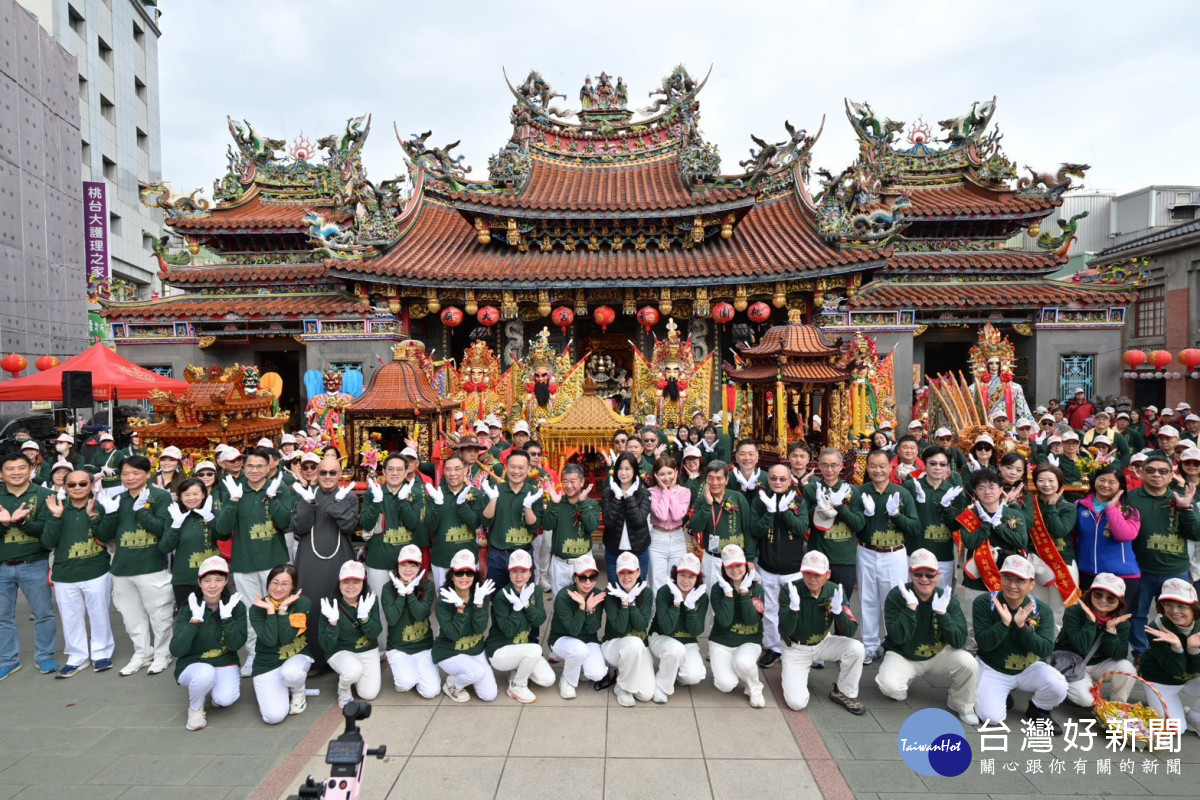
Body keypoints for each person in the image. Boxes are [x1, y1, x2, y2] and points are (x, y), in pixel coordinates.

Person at [875, 549, 979, 725]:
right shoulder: (897, 595)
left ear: (938, 575)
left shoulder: (947, 599)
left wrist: (942, 614)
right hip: (904, 654)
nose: (924, 579)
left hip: (938, 653)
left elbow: (960, 641)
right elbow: (897, 637)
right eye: (918, 573)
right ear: (910, 573)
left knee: (969, 663)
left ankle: (962, 704)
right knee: (890, 687)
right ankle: (904, 681)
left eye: (930, 574)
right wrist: (910, 609)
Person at [214, 448, 292, 675]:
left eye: (260, 466)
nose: (255, 470)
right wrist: (234, 500)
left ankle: (281, 648)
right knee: (250, 611)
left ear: (269, 467)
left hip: (274, 560)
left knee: (279, 607)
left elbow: (285, 521)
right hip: (245, 562)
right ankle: (254, 653)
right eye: (250, 466)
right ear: (244, 468)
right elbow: (221, 530)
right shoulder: (235, 491)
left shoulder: (277, 488)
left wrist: (274, 497)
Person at [95, 455, 174, 676]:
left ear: (148, 474)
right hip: (122, 567)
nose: (130, 478)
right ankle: (142, 653)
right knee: (131, 617)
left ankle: (162, 654)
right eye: (125, 473)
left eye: (136, 473)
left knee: (160, 614)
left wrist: (142, 511)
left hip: (151, 566)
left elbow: (163, 530)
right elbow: (103, 534)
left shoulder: (160, 497)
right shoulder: (117, 499)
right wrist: (109, 513)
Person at [840, 448, 919, 664]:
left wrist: (897, 515)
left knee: (894, 600)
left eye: (882, 466)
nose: (878, 470)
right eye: (873, 466)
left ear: (890, 466)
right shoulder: (860, 493)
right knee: (868, 599)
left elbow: (914, 527)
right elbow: (856, 526)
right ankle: (870, 645)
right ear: (868, 468)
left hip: (894, 553)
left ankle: (894, 643)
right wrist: (865, 515)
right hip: (867, 551)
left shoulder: (901, 494)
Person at [973, 554, 1066, 732]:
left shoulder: (1042, 609)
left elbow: (1046, 649)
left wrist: (1023, 627)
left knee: (1059, 685)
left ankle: (1038, 710)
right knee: (991, 717)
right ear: (1000, 577)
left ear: (1031, 584)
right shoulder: (985, 602)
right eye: (1007, 578)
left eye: (1020, 580)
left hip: (1027, 668)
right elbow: (984, 644)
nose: (1012, 585)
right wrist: (1004, 624)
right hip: (994, 667)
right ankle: (1001, 693)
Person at [1125, 452, 1199, 661]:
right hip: (1140, 569)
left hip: (1175, 570)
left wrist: (1188, 508)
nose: (1156, 475)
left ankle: (1174, 654)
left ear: (1171, 474)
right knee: (1138, 615)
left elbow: (1195, 534)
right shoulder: (1131, 497)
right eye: (1151, 470)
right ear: (1142, 473)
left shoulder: (1181, 496)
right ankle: (1140, 654)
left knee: (1177, 617)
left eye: (1163, 471)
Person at [41, 470, 113, 676]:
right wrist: (56, 516)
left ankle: (101, 653)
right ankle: (77, 656)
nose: (78, 488)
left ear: (91, 485)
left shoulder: (100, 505)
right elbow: (47, 542)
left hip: (97, 570)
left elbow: (107, 536)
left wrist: (93, 517)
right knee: (70, 617)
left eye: (83, 484)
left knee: (99, 614)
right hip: (65, 573)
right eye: (72, 485)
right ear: (65, 487)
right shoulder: (56, 508)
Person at [777, 549, 863, 713]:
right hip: (796, 647)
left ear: (828, 574)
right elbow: (784, 629)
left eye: (817, 574)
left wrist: (839, 613)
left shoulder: (835, 590)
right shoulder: (791, 589)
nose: (812, 578)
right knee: (796, 703)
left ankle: (844, 692)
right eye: (807, 573)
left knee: (856, 648)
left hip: (823, 642)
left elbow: (850, 631)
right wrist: (794, 609)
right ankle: (795, 674)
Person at [357, 453, 426, 651]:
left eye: (399, 469)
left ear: (407, 472)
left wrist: (403, 502)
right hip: (379, 559)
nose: (395, 473)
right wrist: (377, 501)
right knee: (378, 606)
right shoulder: (374, 492)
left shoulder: (415, 493)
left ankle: (404, 646)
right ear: (384, 472)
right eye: (391, 469)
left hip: (406, 564)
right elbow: (366, 524)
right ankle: (380, 650)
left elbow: (414, 524)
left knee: (406, 603)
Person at [170, 556, 247, 731]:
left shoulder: (236, 607)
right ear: (199, 582)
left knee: (225, 700)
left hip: (224, 661)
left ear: (226, 581)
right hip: (193, 664)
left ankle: (211, 688)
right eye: (207, 580)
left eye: (219, 580)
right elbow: (176, 649)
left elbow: (236, 645)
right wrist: (194, 621)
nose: (213, 586)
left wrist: (227, 619)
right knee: (205, 673)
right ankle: (195, 709)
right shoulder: (189, 607)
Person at [956, 468, 1029, 652]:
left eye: (991, 487)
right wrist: (986, 524)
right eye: (981, 488)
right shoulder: (969, 516)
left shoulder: (1013, 514)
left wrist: (998, 526)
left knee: (1005, 615)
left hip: (1006, 576)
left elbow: (1021, 541)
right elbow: (971, 542)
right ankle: (972, 652)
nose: (987, 491)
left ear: (1000, 489)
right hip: (979, 574)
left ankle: (1005, 651)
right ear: (975, 492)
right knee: (973, 618)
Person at [0, 452, 58, 679]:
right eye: (10, 469)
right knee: (3, 616)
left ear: (31, 469)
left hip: (34, 563)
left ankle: (44, 656)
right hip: (2, 566)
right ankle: (8, 660)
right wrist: (4, 524)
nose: (16, 472)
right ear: (1, 473)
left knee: (43, 613)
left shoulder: (45, 495)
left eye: (21, 468)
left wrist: (22, 522)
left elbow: (47, 533)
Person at [751, 463, 808, 669]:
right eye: (773, 478)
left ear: (790, 480)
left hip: (793, 569)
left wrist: (785, 512)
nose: (777, 482)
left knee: (794, 608)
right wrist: (769, 511)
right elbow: (755, 530)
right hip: (767, 566)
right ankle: (773, 647)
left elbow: (802, 528)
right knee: (769, 611)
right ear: (768, 480)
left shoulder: (798, 501)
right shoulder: (760, 501)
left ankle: (795, 647)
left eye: (782, 479)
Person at [1053, 572, 1134, 707]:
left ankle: (1118, 704)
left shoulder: (1122, 622)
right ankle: (1066, 686)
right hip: (1072, 662)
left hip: (1099, 664)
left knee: (1128, 668)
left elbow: (1120, 655)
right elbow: (1082, 647)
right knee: (1087, 701)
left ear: (1119, 602)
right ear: (1090, 594)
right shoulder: (1074, 612)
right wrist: (1091, 621)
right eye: (1098, 594)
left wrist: (1111, 630)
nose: (1103, 600)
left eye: (1111, 598)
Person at [486, 549, 554, 703]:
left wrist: (527, 606)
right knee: (535, 649)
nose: (519, 576)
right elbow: (508, 631)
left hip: (521, 648)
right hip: (500, 650)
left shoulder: (534, 591)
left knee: (548, 679)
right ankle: (517, 685)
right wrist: (517, 609)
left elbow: (540, 619)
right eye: (514, 571)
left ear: (530, 573)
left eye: (523, 571)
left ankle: (516, 668)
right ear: (509, 573)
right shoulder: (502, 596)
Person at [248, 564, 313, 724]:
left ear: (293, 586)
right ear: (268, 583)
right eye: (274, 582)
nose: (278, 588)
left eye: (285, 584)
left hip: (295, 656)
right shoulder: (257, 608)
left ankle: (298, 691)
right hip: (268, 663)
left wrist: (283, 610)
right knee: (273, 717)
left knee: (291, 673)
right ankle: (284, 689)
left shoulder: (302, 602)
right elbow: (270, 641)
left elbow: (286, 638)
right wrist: (271, 611)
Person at [433, 550, 496, 702]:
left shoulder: (480, 594)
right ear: (452, 575)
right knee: (477, 671)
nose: (464, 577)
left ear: (475, 576)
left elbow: (480, 628)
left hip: (475, 648)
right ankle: (453, 684)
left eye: (469, 573)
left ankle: (465, 675)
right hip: (450, 651)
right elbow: (453, 634)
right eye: (459, 573)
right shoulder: (444, 599)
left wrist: (479, 604)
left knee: (489, 695)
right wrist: (460, 610)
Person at [708, 544, 767, 708]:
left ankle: (754, 687)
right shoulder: (717, 589)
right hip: (721, 643)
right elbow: (725, 621)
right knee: (726, 685)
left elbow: (751, 620)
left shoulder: (757, 588)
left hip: (749, 640)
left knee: (743, 662)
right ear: (724, 568)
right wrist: (728, 594)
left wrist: (744, 594)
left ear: (745, 565)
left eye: (738, 565)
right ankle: (735, 667)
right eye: (730, 566)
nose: (735, 570)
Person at [319, 561, 383, 708]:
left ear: (363, 583)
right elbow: (325, 644)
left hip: (367, 649)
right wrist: (333, 623)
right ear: (339, 583)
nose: (350, 586)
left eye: (356, 582)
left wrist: (365, 618)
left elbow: (375, 633)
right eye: (346, 582)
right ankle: (344, 688)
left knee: (369, 694)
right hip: (340, 651)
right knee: (354, 670)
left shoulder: (370, 601)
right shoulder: (330, 605)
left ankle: (351, 675)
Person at [1139, 578, 1200, 733]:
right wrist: (1177, 647)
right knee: (1176, 729)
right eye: (1168, 605)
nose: (1174, 611)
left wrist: (1194, 650)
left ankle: (1195, 716)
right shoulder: (1156, 628)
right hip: (1161, 680)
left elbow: (1195, 669)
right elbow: (1176, 671)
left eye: (1182, 606)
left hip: (1190, 678)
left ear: (1194, 607)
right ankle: (1158, 703)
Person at [381, 544, 439, 699]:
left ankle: (419, 670)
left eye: (413, 565)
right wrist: (401, 594)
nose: (408, 570)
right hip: (399, 648)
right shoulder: (388, 588)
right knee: (406, 682)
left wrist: (410, 593)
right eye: (404, 564)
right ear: (397, 565)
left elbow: (420, 615)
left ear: (420, 567)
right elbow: (392, 620)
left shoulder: (428, 586)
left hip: (424, 647)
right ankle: (407, 673)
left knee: (431, 692)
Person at [480, 450, 542, 591]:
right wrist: (493, 500)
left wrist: (528, 507)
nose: (516, 471)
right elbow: (485, 522)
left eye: (521, 468)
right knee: (497, 600)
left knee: (525, 599)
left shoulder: (533, 493)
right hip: (498, 554)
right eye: (512, 467)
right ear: (506, 467)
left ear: (528, 469)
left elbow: (534, 528)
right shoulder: (495, 490)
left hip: (524, 552)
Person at [649, 553, 707, 704]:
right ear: (676, 574)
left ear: (697, 579)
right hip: (661, 637)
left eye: (691, 576)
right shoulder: (664, 591)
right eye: (682, 575)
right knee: (675, 650)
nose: (686, 581)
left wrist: (690, 608)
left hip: (687, 640)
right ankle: (661, 687)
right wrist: (676, 603)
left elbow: (696, 631)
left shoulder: (701, 596)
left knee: (694, 676)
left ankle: (671, 669)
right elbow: (667, 628)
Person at [1023, 464, 1079, 622]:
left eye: (1051, 480)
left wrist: (1052, 507)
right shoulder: (1029, 505)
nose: (1046, 484)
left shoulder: (1068, 507)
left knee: (1059, 608)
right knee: (1035, 605)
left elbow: (1060, 530)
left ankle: (1055, 643)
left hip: (1061, 561)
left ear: (1059, 483)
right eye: (1041, 480)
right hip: (1036, 562)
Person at [904, 446, 965, 589]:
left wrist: (947, 508)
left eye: (942, 464)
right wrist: (919, 504)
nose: (938, 467)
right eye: (933, 463)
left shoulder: (953, 491)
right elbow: (907, 522)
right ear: (924, 465)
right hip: (914, 551)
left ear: (948, 468)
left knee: (941, 601)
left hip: (942, 554)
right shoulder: (911, 486)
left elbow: (955, 526)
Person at [688, 460, 753, 593]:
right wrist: (707, 504)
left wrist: (750, 558)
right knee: (711, 596)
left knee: (736, 595)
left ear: (727, 480)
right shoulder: (702, 500)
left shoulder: (738, 498)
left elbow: (748, 529)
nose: (715, 483)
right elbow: (696, 527)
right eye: (710, 478)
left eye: (719, 478)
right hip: (712, 557)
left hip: (736, 560)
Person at [549, 552, 608, 698]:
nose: (588, 582)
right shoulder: (564, 596)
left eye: (592, 577)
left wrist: (590, 610)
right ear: (575, 577)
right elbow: (574, 631)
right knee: (578, 650)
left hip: (588, 639)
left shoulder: (597, 594)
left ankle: (579, 665)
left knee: (597, 674)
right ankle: (567, 680)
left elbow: (593, 628)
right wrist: (582, 608)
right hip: (563, 637)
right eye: (583, 577)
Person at [601, 551, 655, 706]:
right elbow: (620, 627)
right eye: (622, 573)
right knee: (634, 643)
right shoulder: (610, 593)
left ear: (638, 572)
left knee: (646, 695)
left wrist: (631, 603)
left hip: (639, 647)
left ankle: (626, 671)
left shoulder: (646, 592)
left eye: (630, 572)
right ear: (616, 574)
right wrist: (625, 603)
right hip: (614, 645)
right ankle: (622, 688)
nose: (626, 577)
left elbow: (641, 625)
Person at [425, 454, 486, 590]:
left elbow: (475, 523)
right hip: (442, 558)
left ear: (465, 470)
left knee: (468, 600)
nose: (453, 473)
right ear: (444, 471)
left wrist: (462, 506)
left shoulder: (474, 494)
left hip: (468, 559)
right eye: (448, 469)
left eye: (457, 469)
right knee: (444, 602)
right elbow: (430, 526)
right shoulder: (436, 495)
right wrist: (438, 505)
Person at [159, 478, 219, 610]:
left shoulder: (213, 513)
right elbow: (165, 547)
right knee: (187, 621)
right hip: (185, 578)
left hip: (214, 578)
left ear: (203, 495)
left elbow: (223, 535)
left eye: (196, 494)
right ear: (180, 496)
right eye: (186, 494)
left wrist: (211, 519)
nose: (191, 498)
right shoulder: (175, 516)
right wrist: (176, 525)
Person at [540, 464, 600, 596]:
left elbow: (592, 526)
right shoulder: (557, 502)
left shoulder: (591, 504)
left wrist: (582, 504)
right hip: (560, 563)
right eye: (565, 482)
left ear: (582, 482)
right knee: (560, 601)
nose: (569, 486)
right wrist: (554, 505)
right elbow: (547, 525)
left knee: (584, 602)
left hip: (584, 562)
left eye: (573, 481)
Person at [601, 453, 652, 582]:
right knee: (614, 590)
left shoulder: (644, 493)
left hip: (638, 551)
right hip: (614, 551)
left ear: (635, 470)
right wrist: (618, 497)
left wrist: (629, 497)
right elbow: (609, 522)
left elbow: (639, 521)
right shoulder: (609, 492)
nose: (623, 473)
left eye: (628, 468)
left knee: (639, 591)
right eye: (620, 468)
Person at [648, 457, 690, 593]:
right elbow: (661, 515)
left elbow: (678, 515)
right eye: (662, 474)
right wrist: (666, 491)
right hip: (657, 539)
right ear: (656, 475)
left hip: (678, 538)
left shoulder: (685, 492)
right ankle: (657, 615)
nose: (667, 478)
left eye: (670, 473)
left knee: (677, 581)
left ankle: (674, 613)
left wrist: (671, 492)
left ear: (676, 472)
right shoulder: (651, 492)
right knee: (657, 582)